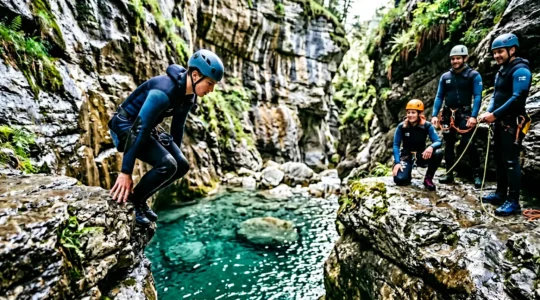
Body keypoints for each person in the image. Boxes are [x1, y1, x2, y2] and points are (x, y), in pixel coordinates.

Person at [107, 49, 224, 226]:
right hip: (124, 128)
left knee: (180, 166)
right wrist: (126, 172)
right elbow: (138, 129)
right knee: (167, 164)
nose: (211, 89)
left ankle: (140, 198)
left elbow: (177, 127)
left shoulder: (189, 97)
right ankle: (135, 202)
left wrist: (175, 156)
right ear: (194, 75)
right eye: (210, 83)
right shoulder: (162, 92)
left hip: (145, 127)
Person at [479, 33, 532, 216]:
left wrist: (495, 115)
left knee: (511, 161)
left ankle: (513, 201)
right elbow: (496, 95)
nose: (496, 56)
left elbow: (518, 98)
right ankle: (501, 193)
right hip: (500, 123)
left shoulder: (521, 70)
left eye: (500, 52)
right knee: (500, 160)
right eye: (494, 53)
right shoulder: (501, 71)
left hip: (512, 123)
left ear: (512, 50)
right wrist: (489, 112)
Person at [431, 45, 483, 187]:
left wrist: (473, 116)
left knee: (468, 142)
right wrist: (435, 115)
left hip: (465, 114)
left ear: (465, 58)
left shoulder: (473, 75)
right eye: (453, 59)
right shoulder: (445, 77)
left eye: (458, 58)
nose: (455, 61)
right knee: (448, 143)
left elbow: (478, 96)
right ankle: (449, 172)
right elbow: (439, 96)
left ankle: (476, 173)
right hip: (448, 114)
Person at [393, 99, 443, 191]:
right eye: (408, 112)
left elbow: (438, 141)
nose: (410, 115)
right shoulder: (402, 126)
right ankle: (407, 174)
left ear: (419, 114)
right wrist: (397, 162)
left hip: (421, 155)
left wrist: (431, 147)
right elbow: (396, 145)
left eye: (413, 112)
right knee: (400, 180)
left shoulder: (426, 125)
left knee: (438, 152)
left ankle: (428, 179)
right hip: (406, 156)